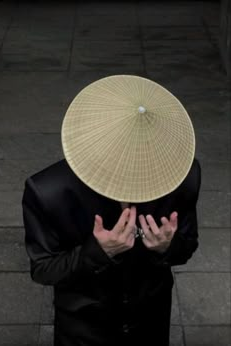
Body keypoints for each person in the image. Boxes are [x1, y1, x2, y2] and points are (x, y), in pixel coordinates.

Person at [22, 75, 201, 346]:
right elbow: (43, 269)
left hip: (150, 319)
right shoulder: (47, 191)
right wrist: (97, 252)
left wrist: (167, 247)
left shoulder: (182, 175)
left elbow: (187, 246)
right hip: (84, 327)